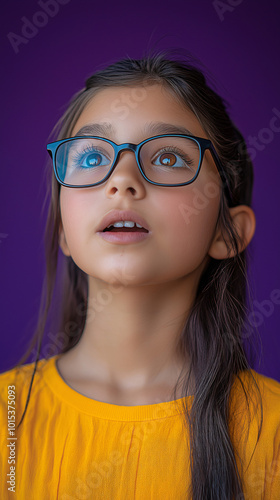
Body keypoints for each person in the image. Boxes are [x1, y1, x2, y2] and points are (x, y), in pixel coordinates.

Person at [0, 50, 279, 500]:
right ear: (65, 232)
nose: (122, 179)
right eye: (91, 158)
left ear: (229, 233)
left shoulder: (273, 433)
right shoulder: (5, 418)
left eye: (168, 157)